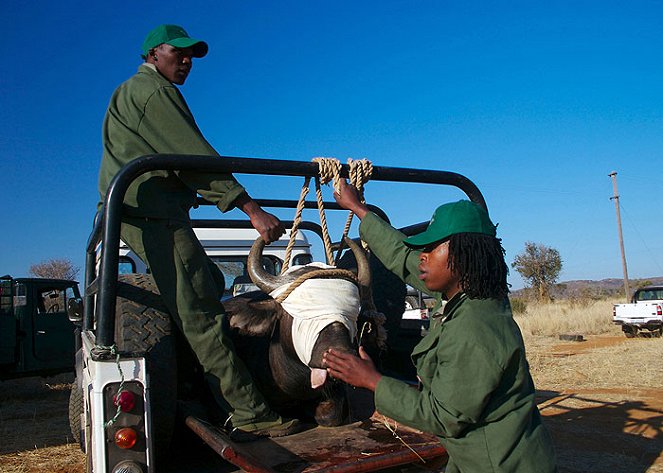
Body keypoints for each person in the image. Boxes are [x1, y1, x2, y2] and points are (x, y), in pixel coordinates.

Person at [98, 24, 303, 439]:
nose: (187, 61)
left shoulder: (132, 92)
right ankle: (251, 414)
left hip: (148, 211)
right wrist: (249, 207)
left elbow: (169, 159)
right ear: (155, 53)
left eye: (193, 56)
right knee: (204, 317)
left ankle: (199, 381)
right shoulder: (154, 92)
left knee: (209, 281)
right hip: (153, 216)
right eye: (180, 53)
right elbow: (193, 155)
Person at [324, 180, 558, 472]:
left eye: (433, 248)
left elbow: (443, 415)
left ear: (464, 256)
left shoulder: (474, 329)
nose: (422, 254)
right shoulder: (470, 295)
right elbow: (402, 256)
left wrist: (372, 381)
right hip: (475, 456)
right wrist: (359, 209)